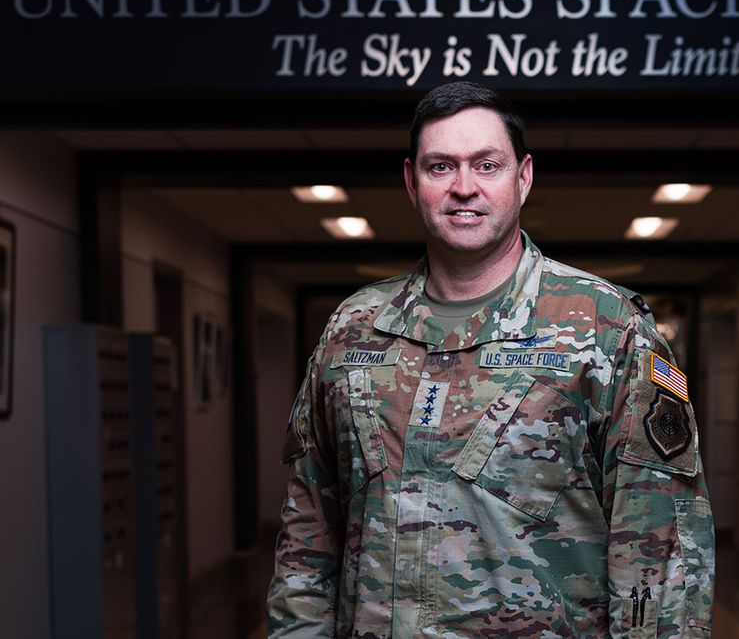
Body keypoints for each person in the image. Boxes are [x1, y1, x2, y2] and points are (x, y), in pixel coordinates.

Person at [267, 82, 714, 638]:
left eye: (486, 165)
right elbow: (308, 533)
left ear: (522, 177)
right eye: (440, 167)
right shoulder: (352, 328)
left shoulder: (612, 330)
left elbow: (664, 554)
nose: (463, 188)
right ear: (412, 182)